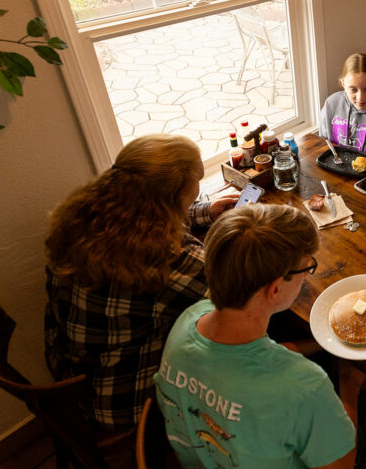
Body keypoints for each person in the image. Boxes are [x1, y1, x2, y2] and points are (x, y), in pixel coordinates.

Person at [155, 204, 366, 469]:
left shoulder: (188, 319)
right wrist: (348, 385)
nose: (307, 275)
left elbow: (256, 355)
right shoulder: (304, 386)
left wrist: (317, 345)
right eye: (307, 268)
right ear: (275, 288)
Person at [44, 134, 238, 429]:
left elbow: (155, 215)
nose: (198, 190)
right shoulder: (171, 260)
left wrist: (203, 212)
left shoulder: (83, 216)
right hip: (124, 398)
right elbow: (235, 294)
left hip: (69, 370)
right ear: (170, 198)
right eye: (194, 186)